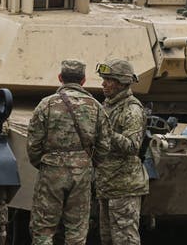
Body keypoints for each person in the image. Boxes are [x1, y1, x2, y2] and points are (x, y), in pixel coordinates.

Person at [27, 59, 111, 245]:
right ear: (83, 80)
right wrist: (88, 162)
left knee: (43, 228)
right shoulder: (96, 106)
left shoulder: (46, 104)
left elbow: (33, 143)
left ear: (60, 78)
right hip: (82, 171)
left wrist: (43, 163)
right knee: (77, 230)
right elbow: (105, 144)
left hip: (51, 170)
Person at [95, 59, 148, 245]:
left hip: (124, 187)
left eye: (108, 80)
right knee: (107, 239)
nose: (103, 84)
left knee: (125, 240)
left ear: (121, 82)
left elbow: (133, 146)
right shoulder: (108, 105)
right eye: (104, 79)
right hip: (108, 185)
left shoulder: (131, 109)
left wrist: (106, 133)